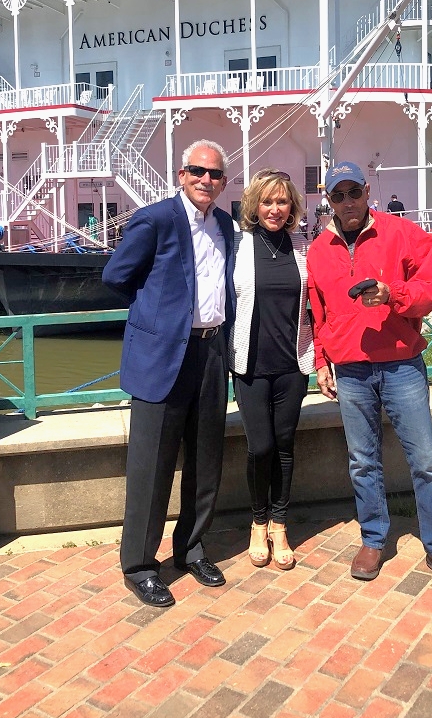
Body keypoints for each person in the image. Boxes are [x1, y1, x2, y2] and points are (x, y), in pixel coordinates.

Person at [306, 160, 432, 594]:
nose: (346, 202)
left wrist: (391, 294)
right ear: (329, 201)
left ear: (366, 191)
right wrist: (322, 361)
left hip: (400, 365)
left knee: (427, 463)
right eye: (337, 196)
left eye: (353, 192)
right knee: (362, 462)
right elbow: (318, 312)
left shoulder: (403, 234)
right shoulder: (319, 248)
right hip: (351, 370)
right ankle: (374, 539)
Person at [102, 140, 236, 608]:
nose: (206, 179)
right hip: (163, 359)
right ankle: (139, 565)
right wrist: (158, 315)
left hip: (211, 353)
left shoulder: (225, 225)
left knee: (206, 461)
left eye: (215, 174)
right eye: (197, 171)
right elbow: (117, 275)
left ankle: (191, 548)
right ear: (181, 174)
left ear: (223, 181)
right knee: (151, 468)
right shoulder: (156, 219)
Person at [229, 170, 314, 570]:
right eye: (267, 202)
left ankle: (279, 524)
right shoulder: (239, 244)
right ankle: (257, 520)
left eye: (282, 202)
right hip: (249, 365)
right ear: (254, 206)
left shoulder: (302, 245)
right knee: (259, 446)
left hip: (292, 364)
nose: (275, 209)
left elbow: (316, 305)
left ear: (292, 206)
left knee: (284, 446)